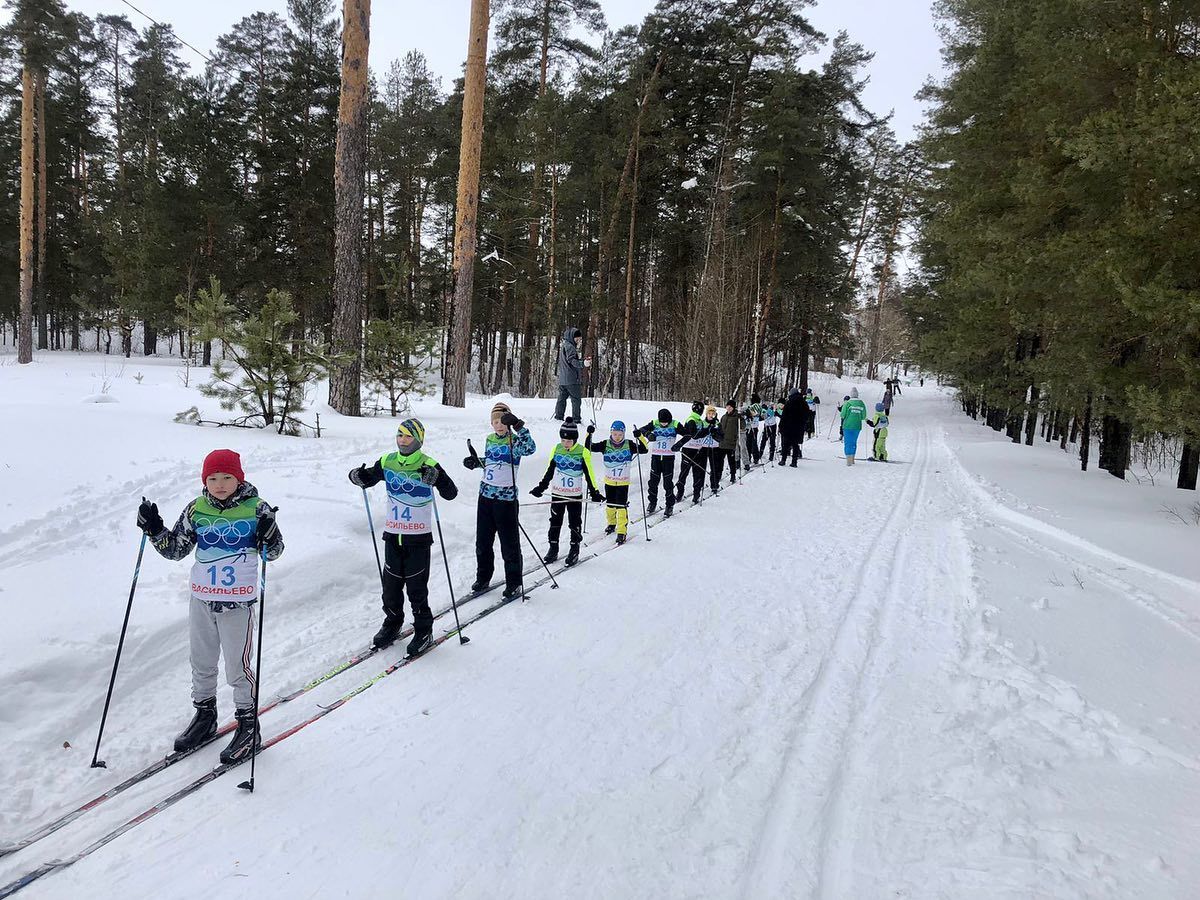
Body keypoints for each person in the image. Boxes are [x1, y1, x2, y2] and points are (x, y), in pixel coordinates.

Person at [136, 449, 284, 762]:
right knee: (201, 661)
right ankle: (205, 716)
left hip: (237, 602)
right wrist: (153, 528)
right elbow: (176, 549)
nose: (219, 484)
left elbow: (274, 552)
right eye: (212, 478)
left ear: (239, 478)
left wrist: (270, 537)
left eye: (226, 477)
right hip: (202, 597)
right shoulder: (196, 509)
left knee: (237, 666)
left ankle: (247, 725)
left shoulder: (257, 509)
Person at [348, 419, 459, 655]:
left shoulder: (428, 463)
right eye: (399, 435)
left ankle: (423, 630)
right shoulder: (388, 461)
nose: (402, 440)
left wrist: (436, 478)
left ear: (418, 440)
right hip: (393, 534)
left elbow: (451, 493)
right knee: (390, 587)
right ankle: (393, 623)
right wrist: (356, 475)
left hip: (417, 537)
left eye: (408, 436)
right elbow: (368, 477)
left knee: (416, 588)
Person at [463, 401, 536, 599]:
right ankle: (483, 577)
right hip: (485, 496)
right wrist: (477, 462)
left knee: (509, 543)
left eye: (503, 421)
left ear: (508, 422)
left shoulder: (515, 441)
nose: (499, 425)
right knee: (483, 542)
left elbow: (531, 448)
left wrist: (519, 426)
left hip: (506, 499)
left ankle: (514, 582)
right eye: (495, 421)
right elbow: (493, 462)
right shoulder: (490, 439)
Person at [530, 418, 603, 566]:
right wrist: (541, 487)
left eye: (569, 441)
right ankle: (553, 548)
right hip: (557, 494)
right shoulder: (556, 449)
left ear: (575, 439)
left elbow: (590, 474)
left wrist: (594, 492)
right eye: (563, 440)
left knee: (574, 523)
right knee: (555, 522)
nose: (565, 443)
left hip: (574, 495)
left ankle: (574, 549)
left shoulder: (583, 452)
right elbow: (549, 471)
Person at [585, 419, 648, 544]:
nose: (617, 437)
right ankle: (612, 524)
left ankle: (621, 531)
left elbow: (644, 449)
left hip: (623, 483)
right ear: (611, 433)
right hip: (609, 482)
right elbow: (589, 447)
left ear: (624, 434)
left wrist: (639, 435)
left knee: (621, 506)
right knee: (610, 505)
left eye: (620, 434)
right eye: (615, 434)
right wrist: (589, 433)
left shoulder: (629, 445)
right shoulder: (605, 444)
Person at [640, 408, 685, 518]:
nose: (663, 424)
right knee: (653, 482)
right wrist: (648, 434)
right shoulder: (655, 423)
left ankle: (669, 505)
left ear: (669, 420)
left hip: (668, 458)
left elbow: (688, 435)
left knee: (667, 483)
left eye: (665, 422)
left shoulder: (675, 424)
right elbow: (642, 429)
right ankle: (652, 502)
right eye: (662, 422)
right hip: (656, 457)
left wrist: (678, 445)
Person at [553, 326, 591, 421]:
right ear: (571, 337)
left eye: (580, 338)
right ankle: (576, 419)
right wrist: (583, 363)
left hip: (563, 379)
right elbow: (572, 361)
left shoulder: (565, 345)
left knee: (562, 399)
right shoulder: (570, 347)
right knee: (576, 399)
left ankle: (558, 416)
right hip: (572, 379)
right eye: (577, 338)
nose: (579, 340)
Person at [674, 400, 706, 505]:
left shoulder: (699, 420)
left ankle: (696, 494)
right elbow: (694, 435)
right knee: (684, 472)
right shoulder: (692, 420)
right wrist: (706, 431)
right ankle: (680, 492)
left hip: (698, 450)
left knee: (697, 473)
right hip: (688, 449)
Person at [779, 389, 809, 467]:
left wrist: (781, 426)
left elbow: (784, 416)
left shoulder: (789, 402)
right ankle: (794, 461)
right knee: (795, 444)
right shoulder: (803, 402)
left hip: (788, 426)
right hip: (799, 427)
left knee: (786, 443)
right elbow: (806, 415)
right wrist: (804, 424)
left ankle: (783, 460)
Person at [715, 400, 741, 487]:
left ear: (733, 408)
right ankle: (718, 476)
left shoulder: (737, 418)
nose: (729, 408)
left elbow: (743, 427)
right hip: (722, 443)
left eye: (731, 406)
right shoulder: (723, 417)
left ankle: (733, 475)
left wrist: (742, 418)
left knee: (731, 461)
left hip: (731, 444)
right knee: (720, 462)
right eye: (727, 406)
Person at [840, 387, 869, 465]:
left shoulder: (847, 403)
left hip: (847, 426)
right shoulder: (861, 403)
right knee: (853, 442)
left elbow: (842, 415)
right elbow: (863, 416)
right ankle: (852, 458)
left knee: (847, 442)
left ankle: (848, 460)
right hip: (857, 426)